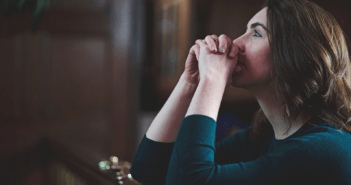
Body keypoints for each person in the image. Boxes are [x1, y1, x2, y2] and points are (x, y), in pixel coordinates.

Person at [130, 0, 351, 184]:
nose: (235, 43)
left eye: (256, 34)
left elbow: (188, 181)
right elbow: (149, 173)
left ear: (296, 57)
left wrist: (214, 78)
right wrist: (189, 83)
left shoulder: (327, 151)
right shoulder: (258, 139)